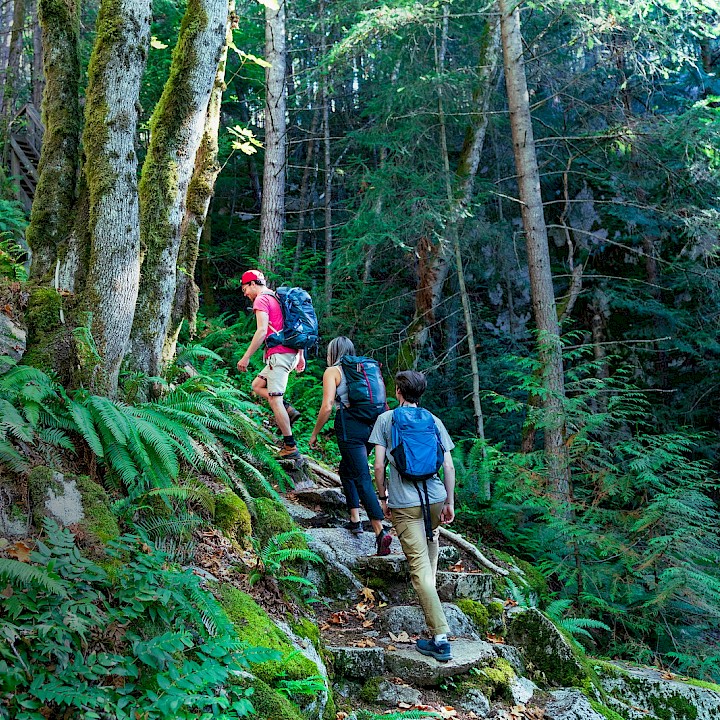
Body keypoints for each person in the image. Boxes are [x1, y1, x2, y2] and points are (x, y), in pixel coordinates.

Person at [370, 370, 456, 662]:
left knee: (419, 569)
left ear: (398, 391)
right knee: (429, 557)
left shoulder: (387, 419)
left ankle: (441, 638)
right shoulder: (433, 420)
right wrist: (449, 502)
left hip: (405, 503)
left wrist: (382, 498)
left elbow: (379, 466)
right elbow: (449, 466)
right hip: (434, 498)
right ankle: (432, 618)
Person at [308, 337, 393, 556]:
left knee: (360, 475)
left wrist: (315, 433)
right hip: (373, 424)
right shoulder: (363, 369)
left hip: (350, 426)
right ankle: (355, 519)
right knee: (346, 470)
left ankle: (379, 531)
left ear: (332, 352)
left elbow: (327, 406)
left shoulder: (333, 371)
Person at [236, 269, 305, 459]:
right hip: (288, 354)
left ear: (252, 284)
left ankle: (290, 447)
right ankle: (287, 409)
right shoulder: (277, 297)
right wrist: (300, 355)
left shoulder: (261, 300)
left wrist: (246, 357)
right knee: (257, 386)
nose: (245, 294)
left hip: (279, 356)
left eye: (245, 289)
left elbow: (261, 331)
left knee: (275, 399)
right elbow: (293, 326)